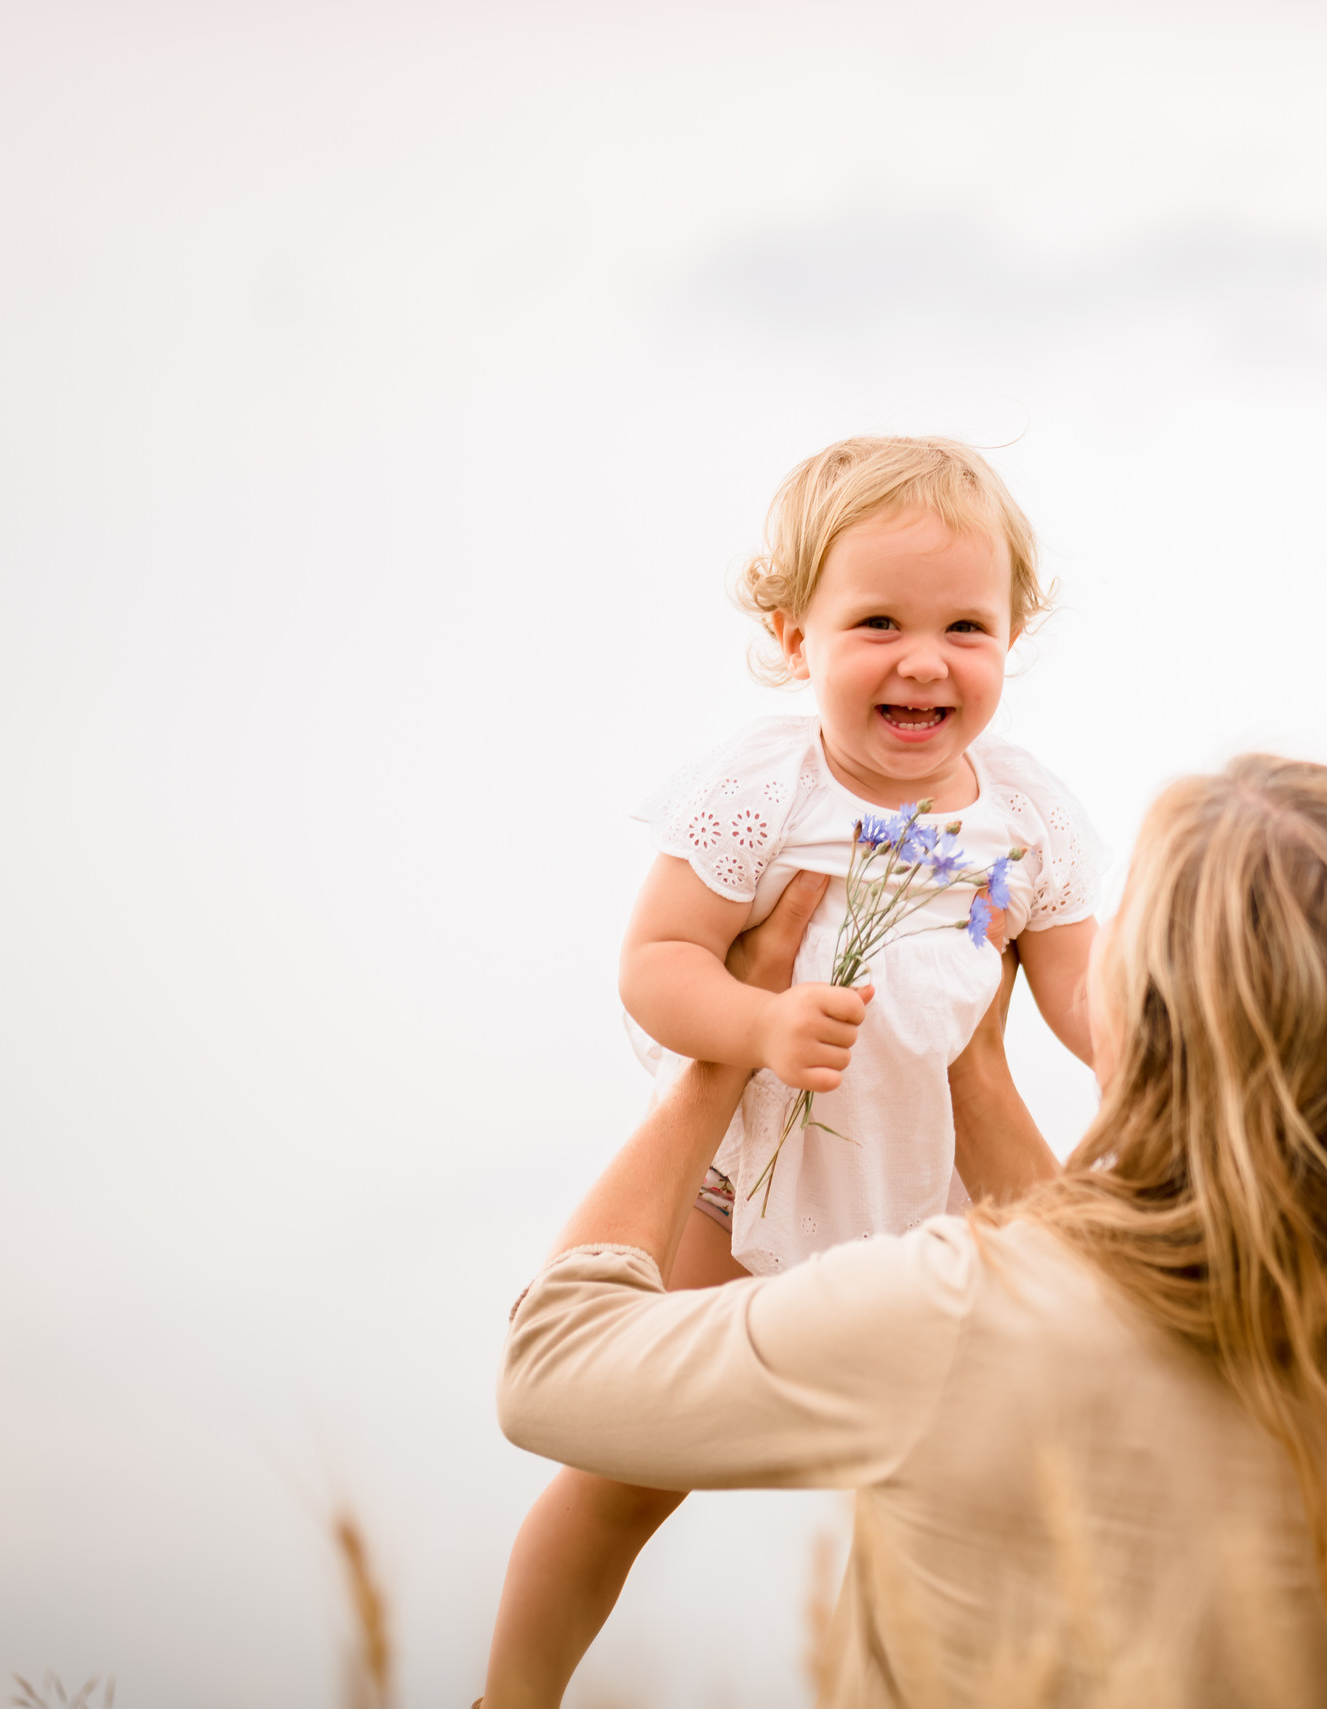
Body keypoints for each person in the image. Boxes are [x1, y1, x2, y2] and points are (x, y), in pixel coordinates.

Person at [495, 756, 1327, 1708]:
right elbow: (1114, 1302)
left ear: (1155, 1024)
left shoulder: (960, 1314)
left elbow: (551, 1366)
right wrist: (972, 1068)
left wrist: (721, 1057)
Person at [483, 436, 1102, 1704]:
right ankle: (512, 1693)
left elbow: (1082, 993)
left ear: (1014, 633)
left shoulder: (1027, 817)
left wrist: (1173, 1053)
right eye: (876, 619)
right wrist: (757, 1027)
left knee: (962, 1487)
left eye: (966, 626)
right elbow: (657, 960)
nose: (924, 658)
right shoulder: (768, 787)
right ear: (791, 631)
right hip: (742, 1184)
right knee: (625, 1470)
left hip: (936, 1209)